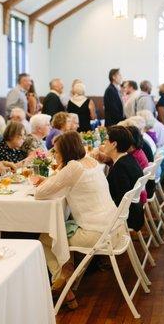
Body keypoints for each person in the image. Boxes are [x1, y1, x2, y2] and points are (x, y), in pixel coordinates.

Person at [33, 131, 119, 306]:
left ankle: (62, 284)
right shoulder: (91, 161)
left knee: (46, 237)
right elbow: (65, 181)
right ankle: (67, 280)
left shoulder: (73, 167)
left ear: (66, 151)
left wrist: (53, 177)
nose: (54, 155)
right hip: (113, 228)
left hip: (96, 234)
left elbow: (39, 193)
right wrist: (56, 176)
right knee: (61, 229)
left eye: (56, 152)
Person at [101, 125, 145, 232]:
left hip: (128, 217)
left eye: (106, 140)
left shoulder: (120, 168)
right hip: (135, 211)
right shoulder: (129, 159)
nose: (104, 143)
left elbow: (120, 200)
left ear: (114, 144)